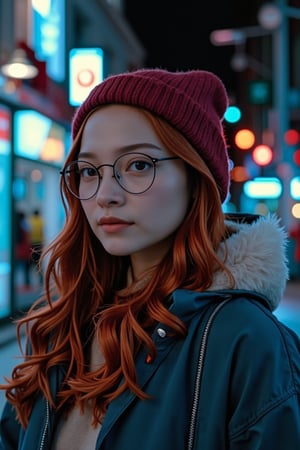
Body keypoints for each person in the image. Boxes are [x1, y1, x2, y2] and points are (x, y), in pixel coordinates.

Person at [1, 68, 300, 450]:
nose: (106, 194)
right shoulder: (66, 324)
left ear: (196, 178)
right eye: (90, 171)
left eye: (138, 164)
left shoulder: (246, 341)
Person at [14, 211, 31, 288]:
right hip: (25, 248)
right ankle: (27, 282)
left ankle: (15, 283)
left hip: (18, 249)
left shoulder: (15, 225)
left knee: (17, 267)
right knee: (25, 268)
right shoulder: (25, 225)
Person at [29, 208, 44, 284]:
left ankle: (30, 279)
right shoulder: (41, 221)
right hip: (40, 243)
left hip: (32, 243)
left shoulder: (31, 221)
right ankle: (40, 278)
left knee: (32, 261)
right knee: (39, 261)